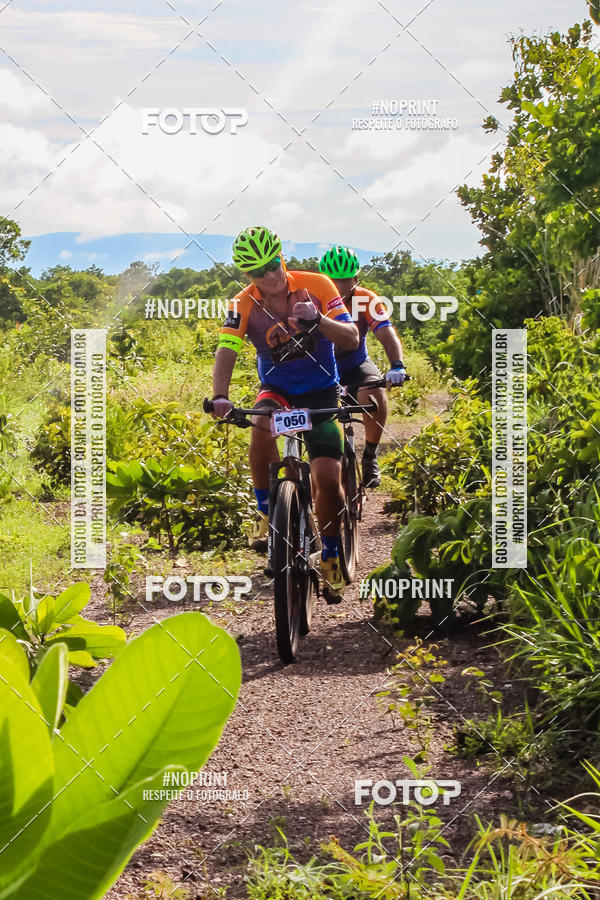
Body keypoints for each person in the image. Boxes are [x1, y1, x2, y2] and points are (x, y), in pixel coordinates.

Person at [210, 226, 359, 602]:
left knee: (327, 479)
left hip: (321, 392)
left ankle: (330, 554)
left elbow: (351, 338)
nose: (270, 276)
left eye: (273, 265)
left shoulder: (318, 285)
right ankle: (264, 510)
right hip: (277, 392)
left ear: (282, 258)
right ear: (248, 275)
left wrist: (318, 321)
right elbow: (226, 349)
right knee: (260, 420)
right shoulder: (241, 304)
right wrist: (220, 396)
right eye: (258, 272)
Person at [318, 246, 407, 487]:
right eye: (333, 280)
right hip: (320, 369)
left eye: (345, 279)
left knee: (375, 392)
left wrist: (397, 365)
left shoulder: (366, 299)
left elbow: (386, 333)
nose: (339, 286)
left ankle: (369, 454)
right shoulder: (312, 299)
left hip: (355, 364)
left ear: (356, 278)